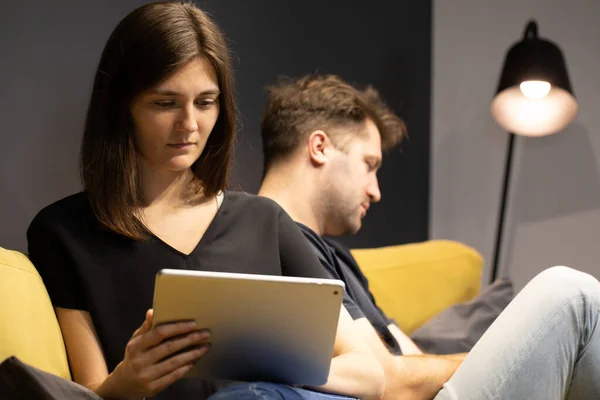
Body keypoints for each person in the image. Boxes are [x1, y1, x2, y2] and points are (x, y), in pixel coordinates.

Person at [26, 4, 385, 400]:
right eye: (165, 103)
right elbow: (89, 391)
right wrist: (128, 380)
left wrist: (278, 370)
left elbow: (369, 374)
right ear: (121, 106)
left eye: (205, 102)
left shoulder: (265, 221)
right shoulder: (66, 232)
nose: (189, 124)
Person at [258, 74, 600, 399]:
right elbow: (386, 383)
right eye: (369, 164)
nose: (376, 191)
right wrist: (502, 354)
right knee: (572, 296)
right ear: (319, 147)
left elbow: (407, 356)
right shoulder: (267, 243)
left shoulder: (333, 255)